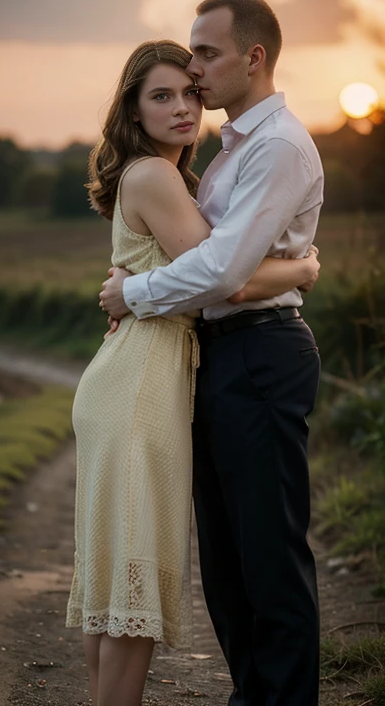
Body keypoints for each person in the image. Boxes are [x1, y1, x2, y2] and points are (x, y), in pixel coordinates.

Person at [68, 39, 320, 706]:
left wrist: (132, 284)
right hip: (140, 385)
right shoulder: (155, 176)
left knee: (117, 584)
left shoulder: (170, 178)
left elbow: (201, 269)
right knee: (134, 580)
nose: (183, 106)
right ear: (134, 109)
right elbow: (223, 276)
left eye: (188, 92)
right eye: (161, 96)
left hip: (133, 375)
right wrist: (302, 269)